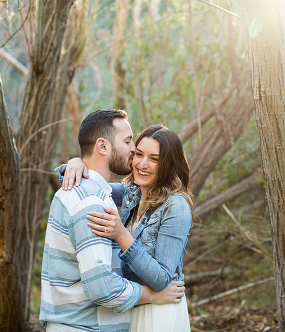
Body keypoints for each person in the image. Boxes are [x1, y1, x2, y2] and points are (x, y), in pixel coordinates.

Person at [40, 110, 186, 332]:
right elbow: (95, 184)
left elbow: (162, 278)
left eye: (154, 159)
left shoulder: (175, 206)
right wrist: (77, 163)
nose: (139, 161)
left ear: (167, 163)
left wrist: (121, 234)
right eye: (136, 151)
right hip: (131, 305)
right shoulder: (129, 193)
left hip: (158, 305)